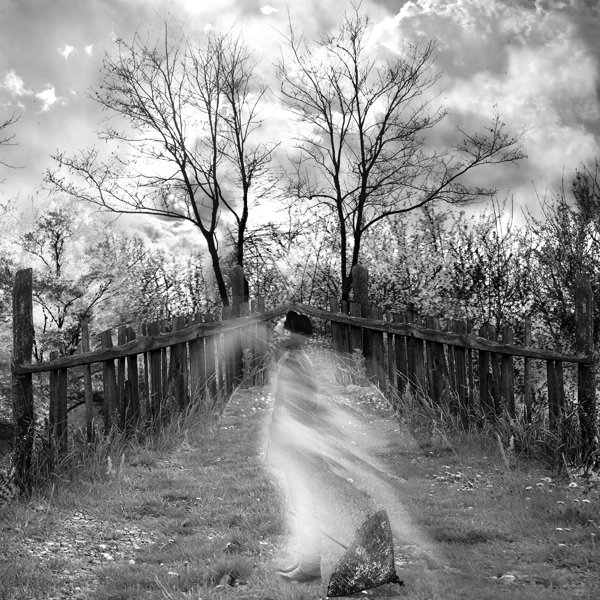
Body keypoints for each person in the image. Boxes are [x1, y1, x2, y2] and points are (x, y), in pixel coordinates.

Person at [265, 310, 325, 583]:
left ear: (290, 332)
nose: (277, 325)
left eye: (282, 323)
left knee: (304, 504)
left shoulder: (294, 361)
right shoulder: (294, 357)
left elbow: (299, 406)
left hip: (298, 443)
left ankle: (310, 566)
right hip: (298, 441)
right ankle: (307, 562)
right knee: (302, 503)